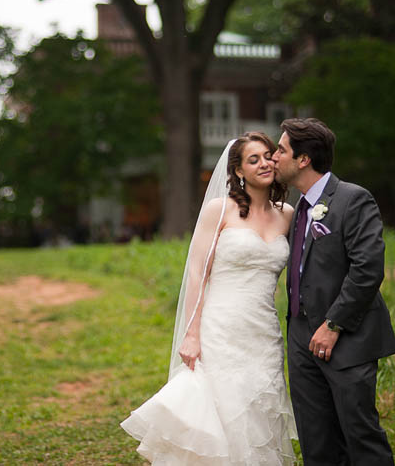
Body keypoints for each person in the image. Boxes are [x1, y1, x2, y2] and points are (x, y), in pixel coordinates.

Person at [121, 132, 298, 465]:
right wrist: (191, 331)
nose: (263, 163)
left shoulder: (286, 214)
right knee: (223, 408)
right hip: (220, 327)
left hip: (263, 330)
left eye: (267, 156)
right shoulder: (220, 209)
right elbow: (196, 272)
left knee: (259, 407)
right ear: (239, 171)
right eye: (253, 159)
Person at [272, 118, 395, 465]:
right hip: (300, 337)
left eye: (281, 149)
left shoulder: (353, 199)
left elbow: (368, 270)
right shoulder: (297, 208)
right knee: (316, 441)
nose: (274, 156)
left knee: (360, 435)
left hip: (346, 337)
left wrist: (334, 325)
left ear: (303, 160)